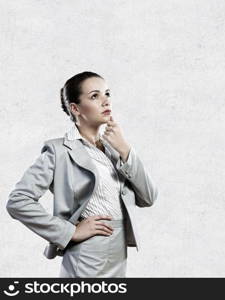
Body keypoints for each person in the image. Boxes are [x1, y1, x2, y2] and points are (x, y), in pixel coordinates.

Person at [6, 71, 159, 277]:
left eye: (107, 94)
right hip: (87, 254)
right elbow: (18, 201)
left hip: (118, 251)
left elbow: (148, 197)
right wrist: (70, 232)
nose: (106, 101)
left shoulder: (115, 148)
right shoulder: (58, 151)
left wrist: (125, 151)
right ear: (75, 109)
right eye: (95, 96)